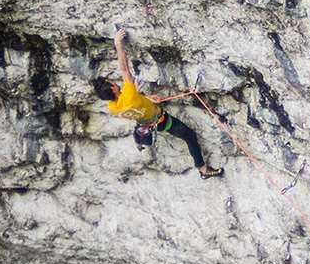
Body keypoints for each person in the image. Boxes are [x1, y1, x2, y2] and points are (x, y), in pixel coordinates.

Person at [93, 27, 223, 179]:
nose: (115, 83)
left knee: (139, 122)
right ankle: (203, 169)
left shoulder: (113, 107)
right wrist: (118, 43)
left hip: (144, 121)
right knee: (190, 136)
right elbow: (124, 68)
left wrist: (141, 95)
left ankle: (139, 142)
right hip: (162, 121)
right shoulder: (128, 94)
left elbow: (130, 101)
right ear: (113, 89)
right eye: (112, 83)